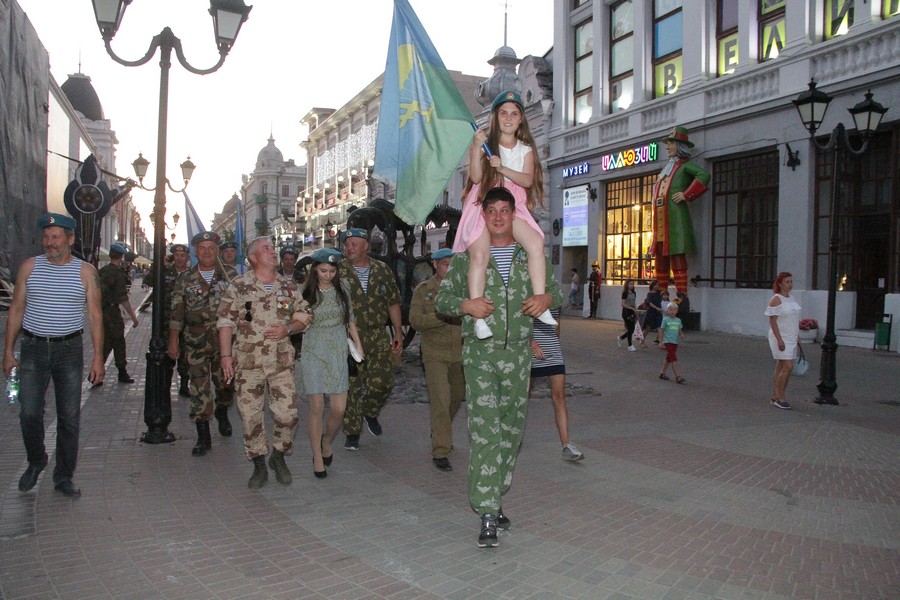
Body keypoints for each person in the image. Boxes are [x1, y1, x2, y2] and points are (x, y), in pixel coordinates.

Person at [435, 186, 563, 549]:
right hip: (480, 357)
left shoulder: (529, 254)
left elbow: (557, 291)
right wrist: (466, 305)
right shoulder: (467, 257)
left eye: (505, 210)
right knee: (485, 431)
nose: (498, 217)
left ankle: (496, 491)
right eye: (490, 210)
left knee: (511, 432)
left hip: (519, 358)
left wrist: (546, 298)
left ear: (514, 214)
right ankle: (487, 510)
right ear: (483, 215)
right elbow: (442, 300)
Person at [3, 213, 105, 498]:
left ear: (70, 239)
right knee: (29, 413)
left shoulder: (86, 272)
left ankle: (63, 477)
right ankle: (37, 461)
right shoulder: (29, 267)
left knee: (69, 417)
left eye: (56, 237)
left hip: (69, 351)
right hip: (33, 349)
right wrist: (8, 352)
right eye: (46, 237)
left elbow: (96, 316)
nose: (49, 242)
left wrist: (98, 358)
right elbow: (16, 310)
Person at [452, 90, 556, 340]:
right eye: (503, 113)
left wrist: (503, 168)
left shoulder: (525, 149)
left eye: (514, 113)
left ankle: (540, 302)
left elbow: (528, 179)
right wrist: (477, 148)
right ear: (496, 117)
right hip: (484, 205)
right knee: (479, 255)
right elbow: (476, 177)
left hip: (514, 206)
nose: (509, 118)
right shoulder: (486, 144)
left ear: (521, 119)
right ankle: (479, 319)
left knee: (536, 243)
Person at [217, 237, 311, 488]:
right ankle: (259, 463)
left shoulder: (288, 286)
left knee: (289, 415)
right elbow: (225, 322)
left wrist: (288, 328)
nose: (273, 251)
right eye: (266, 248)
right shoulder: (239, 286)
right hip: (248, 364)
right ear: (254, 257)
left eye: (273, 248)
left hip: (280, 362)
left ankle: (278, 456)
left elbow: (304, 315)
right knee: (250, 416)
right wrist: (226, 356)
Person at [169, 231, 238, 455]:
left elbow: (240, 309)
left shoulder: (229, 276)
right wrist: (173, 342)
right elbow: (176, 313)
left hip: (225, 346)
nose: (207, 252)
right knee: (199, 389)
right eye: (202, 248)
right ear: (196, 251)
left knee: (226, 386)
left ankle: (222, 410)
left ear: (216, 251)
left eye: (211, 248)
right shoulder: (185, 279)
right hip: (195, 343)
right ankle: (203, 436)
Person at [300, 248, 363, 479]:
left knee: (339, 409)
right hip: (313, 348)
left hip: (337, 347)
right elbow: (295, 317)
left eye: (332, 271)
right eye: (323, 270)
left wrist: (358, 345)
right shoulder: (305, 291)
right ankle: (317, 456)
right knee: (316, 408)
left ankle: (327, 440)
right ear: (315, 269)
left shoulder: (342, 287)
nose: (327, 275)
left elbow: (350, 318)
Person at [338, 228, 403, 451]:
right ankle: (352, 432)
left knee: (384, 382)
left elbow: (393, 301)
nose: (350, 247)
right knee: (352, 386)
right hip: (349, 338)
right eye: (347, 244)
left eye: (355, 243)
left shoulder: (382, 270)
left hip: (377, 334)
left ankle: (370, 412)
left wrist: (397, 332)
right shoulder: (338, 271)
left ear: (366, 246)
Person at [409, 248, 464, 472]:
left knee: (457, 397)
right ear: (435, 265)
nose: (448, 269)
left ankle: (440, 429)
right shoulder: (424, 291)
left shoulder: (463, 290)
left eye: (452, 264)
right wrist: (442, 316)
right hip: (434, 354)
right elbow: (415, 320)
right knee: (441, 399)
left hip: (460, 353)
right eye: (444, 264)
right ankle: (441, 449)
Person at [650, 127, 710, 296]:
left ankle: (681, 295)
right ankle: (661, 292)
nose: (667, 147)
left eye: (671, 143)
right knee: (660, 258)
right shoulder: (666, 169)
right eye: (667, 144)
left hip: (675, 221)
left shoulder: (684, 167)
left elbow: (703, 174)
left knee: (677, 256)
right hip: (661, 223)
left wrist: (686, 194)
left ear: (680, 146)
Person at [530, 307, 584, 462]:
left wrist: (555, 344)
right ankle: (508, 438)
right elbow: (519, 323)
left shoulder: (554, 294)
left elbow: (557, 324)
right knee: (520, 397)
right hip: (532, 350)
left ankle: (566, 445)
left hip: (553, 350)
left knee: (560, 397)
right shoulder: (527, 290)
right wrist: (531, 343)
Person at [98, 243, 139, 384]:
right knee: (118, 342)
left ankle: (96, 373)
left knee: (105, 343)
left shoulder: (102, 271)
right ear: (121, 257)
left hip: (100, 311)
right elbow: (123, 299)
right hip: (112, 313)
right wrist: (134, 317)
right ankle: (122, 372)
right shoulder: (117, 274)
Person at [765, 272, 800, 410]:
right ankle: (780, 397)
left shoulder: (792, 298)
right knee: (788, 366)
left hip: (791, 336)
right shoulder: (776, 299)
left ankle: (775, 396)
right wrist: (779, 340)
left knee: (781, 366)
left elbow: (793, 319)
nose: (790, 284)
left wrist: (797, 336)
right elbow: (772, 321)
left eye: (791, 281)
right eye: (787, 282)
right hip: (780, 337)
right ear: (780, 283)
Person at [657, 303, 685, 383]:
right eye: (670, 310)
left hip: (675, 342)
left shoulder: (678, 320)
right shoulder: (665, 320)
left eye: (674, 310)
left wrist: (681, 334)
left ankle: (662, 373)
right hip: (667, 342)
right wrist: (661, 341)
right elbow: (661, 330)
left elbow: (679, 330)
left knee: (669, 358)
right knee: (673, 358)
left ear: (677, 311)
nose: (672, 311)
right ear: (667, 311)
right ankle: (678, 376)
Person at [617, 279, 638, 351]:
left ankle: (621, 338)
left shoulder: (634, 293)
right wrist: (630, 308)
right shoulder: (625, 293)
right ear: (627, 285)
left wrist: (635, 310)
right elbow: (622, 304)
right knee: (630, 328)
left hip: (632, 311)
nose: (631, 285)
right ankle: (630, 345)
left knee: (632, 329)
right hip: (626, 312)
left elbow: (634, 302)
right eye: (630, 284)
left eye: (632, 284)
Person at [641, 280, 663, 346]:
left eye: (658, 285)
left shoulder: (659, 293)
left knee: (660, 327)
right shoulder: (649, 294)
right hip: (651, 312)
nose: (657, 286)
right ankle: (642, 340)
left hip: (658, 312)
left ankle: (661, 343)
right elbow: (649, 303)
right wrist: (656, 308)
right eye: (655, 285)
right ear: (652, 285)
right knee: (648, 328)